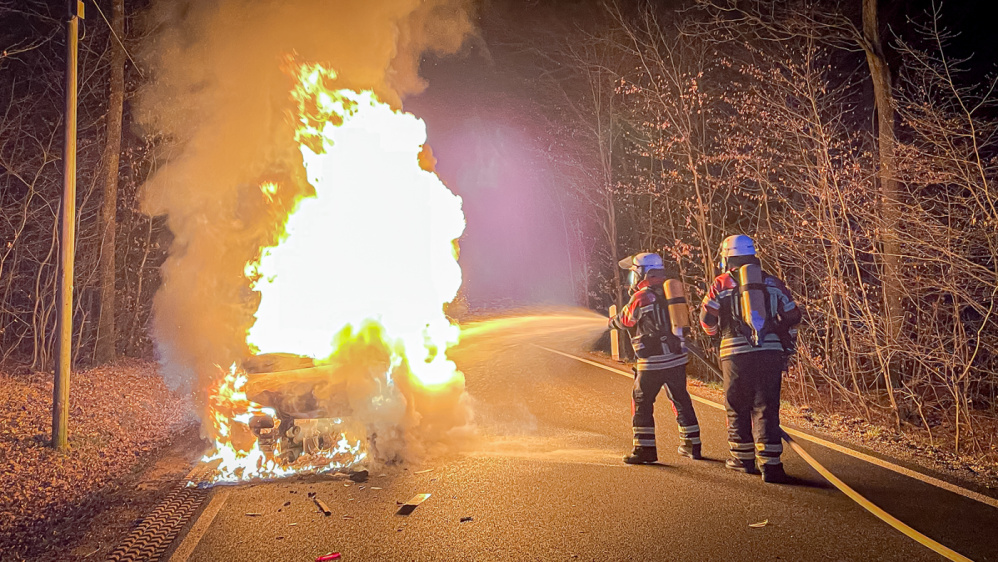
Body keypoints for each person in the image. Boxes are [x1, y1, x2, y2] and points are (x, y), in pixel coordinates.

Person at [700, 235, 802, 483]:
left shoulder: (721, 283)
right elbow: (793, 314)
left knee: (737, 405)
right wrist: (780, 341)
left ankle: (742, 459)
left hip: (735, 354)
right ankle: (771, 465)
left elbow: (706, 319)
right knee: (766, 406)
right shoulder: (772, 282)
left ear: (728, 258)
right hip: (769, 352)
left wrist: (717, 338)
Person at [610, 252, 701, 464]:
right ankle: (692, 444)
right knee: (680, 398)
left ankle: (644, 449)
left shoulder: (642, 296)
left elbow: (627, 320)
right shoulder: (671, 290)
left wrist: (611, 323)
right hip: (677, 358)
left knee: (642, 402)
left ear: (642, 272)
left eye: (634, 273)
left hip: (651, 361)